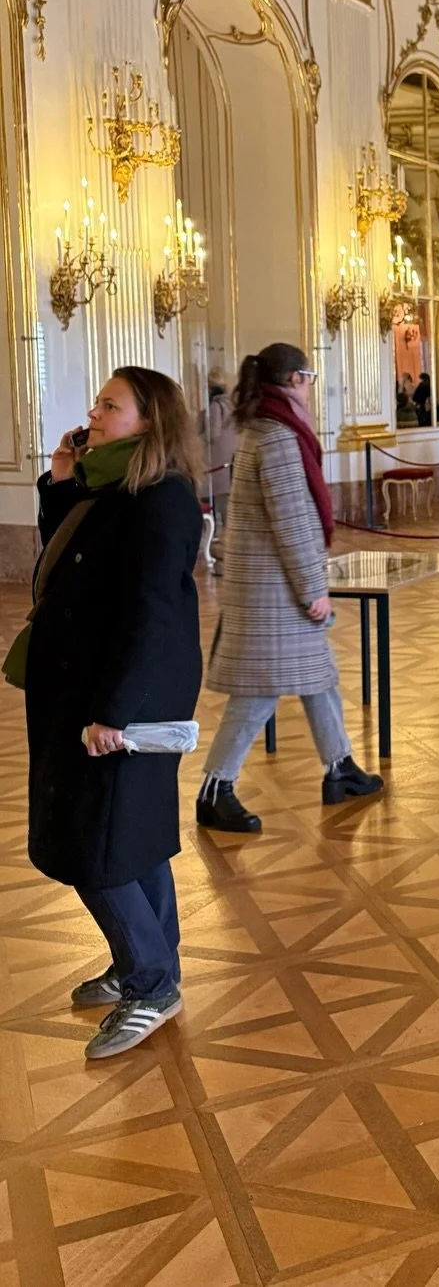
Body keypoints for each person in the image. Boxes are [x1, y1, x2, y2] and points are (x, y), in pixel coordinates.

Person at [11, 369, 203, 1060]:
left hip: (120, 704)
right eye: (96, 402)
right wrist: (62, 479)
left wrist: (115, 713)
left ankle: (153, 983)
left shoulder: (162, 499)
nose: (93, 413)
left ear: (148, 420)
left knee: (98, 847)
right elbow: (62, 564)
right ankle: (147, 965)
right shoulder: (112, 485)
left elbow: (152, 616)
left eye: (109, 405)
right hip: (84, 695)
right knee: (133, 838)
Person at [198, 344, 383, 832]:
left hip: (268, 587)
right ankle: (215, 788)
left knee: (318, 676)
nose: (311, 388)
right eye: (311, 378)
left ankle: (339, 766)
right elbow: (292, 522)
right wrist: (312, 589)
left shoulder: (262, 428)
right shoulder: (279, 437)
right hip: (274, 591)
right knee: (258, 693)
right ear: (297, 379)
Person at [198, 365, 237, 558]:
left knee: (219, 510)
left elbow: (212, 433)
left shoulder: (215, 407)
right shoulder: (233, 405)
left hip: (217, 466)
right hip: (229, 464)